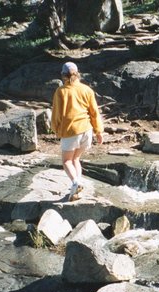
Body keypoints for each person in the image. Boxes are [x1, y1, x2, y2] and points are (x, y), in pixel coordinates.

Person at [51, 61, 103, 201]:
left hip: (71, 131)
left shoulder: (61, 91)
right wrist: (98, 131)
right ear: (77, 73)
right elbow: (94, 112)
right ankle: (77, 190)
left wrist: (55, 129)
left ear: (63, 75)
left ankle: (75, 182)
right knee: (76, 159)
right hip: (87, 130)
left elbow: (56, 113)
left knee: (67, 161)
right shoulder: (87, 90)